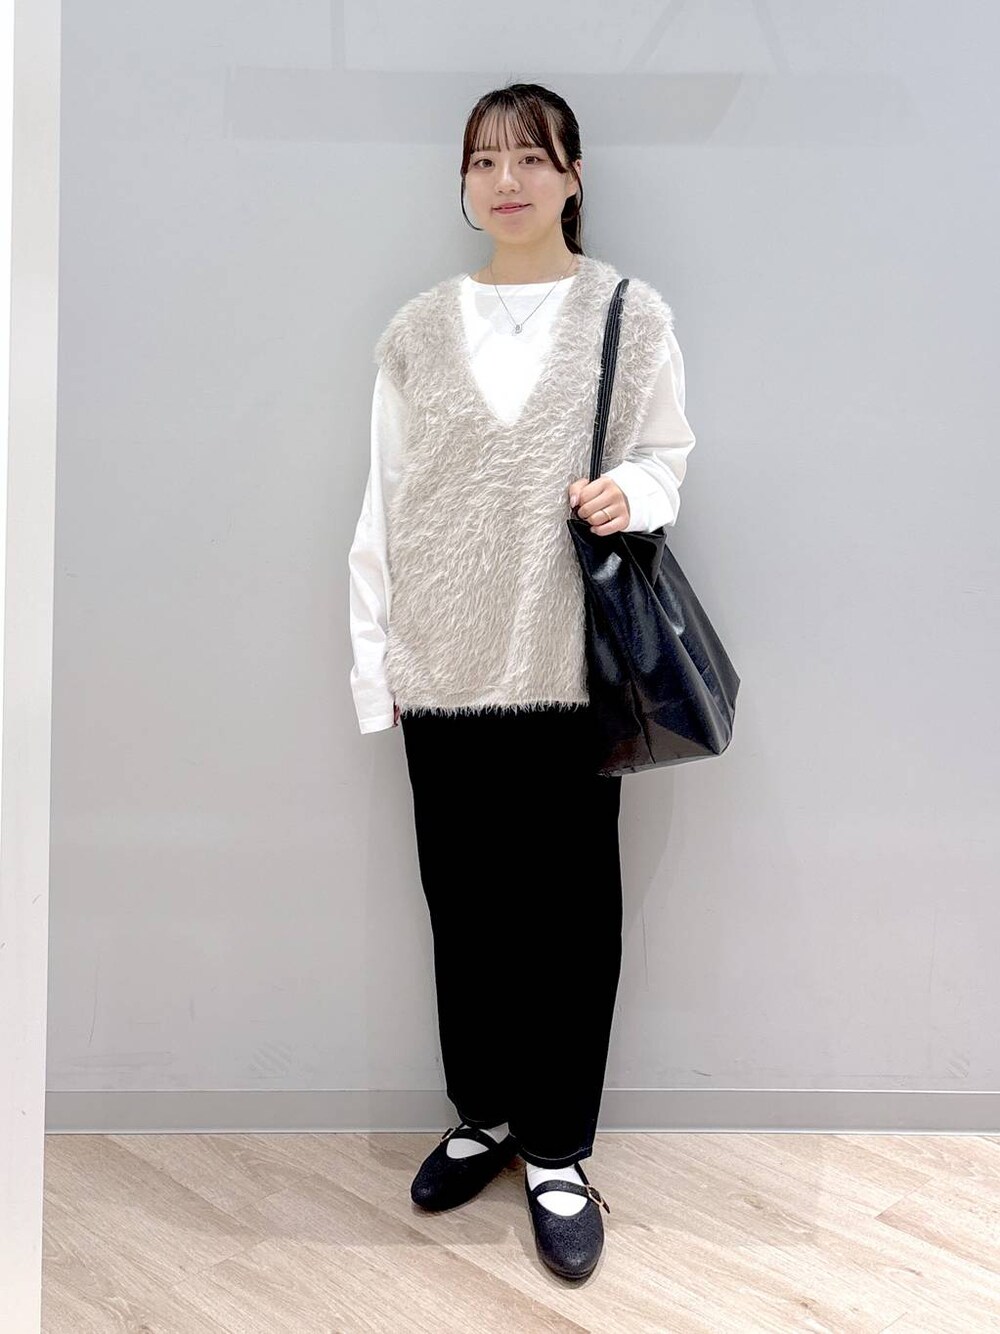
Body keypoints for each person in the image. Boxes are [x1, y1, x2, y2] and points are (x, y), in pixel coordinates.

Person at [348, 82, 696, 1281]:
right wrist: (375, 662)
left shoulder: (628, 315)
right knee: (464, 905)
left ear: (573, 175)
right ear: (462, 181)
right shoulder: (414, 330)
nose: (507, 181)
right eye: (485, 160)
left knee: (567, 915)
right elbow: (383, 503)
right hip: (440, 665)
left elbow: (666, 457)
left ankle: (556, 1148)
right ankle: (484, 1112)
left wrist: (627, 492)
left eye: (532, 158)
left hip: (564, 664)